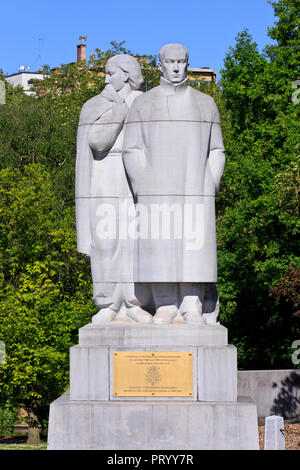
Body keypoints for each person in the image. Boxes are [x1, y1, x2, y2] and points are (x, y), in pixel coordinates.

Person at [122, 44, 226, 325]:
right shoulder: (144, 103)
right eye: (171, 62)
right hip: (156, 188)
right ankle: (165, 303)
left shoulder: (205, 103)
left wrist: (211, 182)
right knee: (160, 243)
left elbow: (217, 149)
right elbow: (131, 149)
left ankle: (192, 302)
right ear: (160, 65)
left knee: (194, 245)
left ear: (188, 64)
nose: (177, 67)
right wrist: (143, 184)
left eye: (182, 61)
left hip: (195, 186)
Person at [75, 54, 152, 323]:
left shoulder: (146, 103)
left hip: (136, 174)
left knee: (135, 239)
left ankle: (135, 302)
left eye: (111, 73)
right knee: (105, 240)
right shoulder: (95, 105)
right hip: (105, 173)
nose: (106, 79)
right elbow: (97, 143)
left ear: (127, 75)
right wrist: (119, 111)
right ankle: (107, 302)